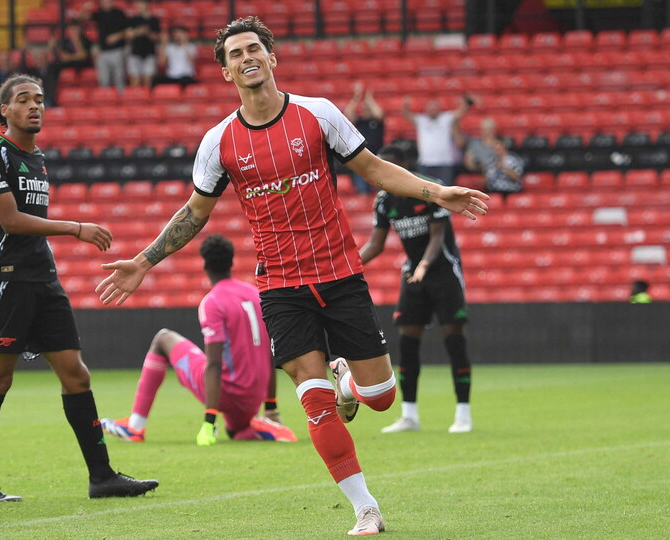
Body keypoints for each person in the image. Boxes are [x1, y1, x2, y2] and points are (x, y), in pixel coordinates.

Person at [96, 17, 488, 536]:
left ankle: (351, 378)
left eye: (254, 48)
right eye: (235, 53)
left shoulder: (318, 114)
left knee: (382, 398)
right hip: (280, 285)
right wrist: (144, 262)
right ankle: (365, 508)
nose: (246, 57)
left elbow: (373, 169)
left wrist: (437, 192)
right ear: (224, 70)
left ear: (272, 57)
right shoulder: (218, 142)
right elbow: (195, 212)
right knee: (313, 397)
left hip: (341, 274)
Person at [0, 74, 158, 504]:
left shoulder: (38, 158)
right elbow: (9, 221)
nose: (35, 106)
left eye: (40, 100)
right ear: (4, 110)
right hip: (6, 277)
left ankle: (102, 477)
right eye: (24, 100)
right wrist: (76, 227)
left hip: (43, 279)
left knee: (76, 373)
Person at [101, 234, 296, 445]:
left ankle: (135, 427)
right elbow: (269, 352)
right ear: (232, 262)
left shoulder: (213, 302)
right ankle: (257, 427)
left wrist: (209, 421)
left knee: (163, 338)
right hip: (252, 398)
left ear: (205, 265)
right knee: (236, 431)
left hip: (226, 394)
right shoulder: (255, 295)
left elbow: (213, 363)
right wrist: (271, 406)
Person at [358, 145, 473, 435]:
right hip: (413, 275)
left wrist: (423, 265)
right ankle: (409, 415)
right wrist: (347, 265)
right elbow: (376, 244)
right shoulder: (384, 201)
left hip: (443, 271)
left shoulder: (431, 190)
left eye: (390, 166)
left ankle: (463, 414)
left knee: (454, 339)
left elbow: (438, 237)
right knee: (407, 340)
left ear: (404, 166)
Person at [401, 94, 472, 186]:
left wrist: (466, 101)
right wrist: (406, 105)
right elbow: (405, 114)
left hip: (444, 164)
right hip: (425, 164)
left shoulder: (446, 118)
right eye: (430, 107)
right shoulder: (421, 120)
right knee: (425, 192)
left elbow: (461, 111)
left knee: (446, 191)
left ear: (439, 109)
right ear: (426, 109)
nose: (433, 110)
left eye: (435, 107)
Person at [343, 82, 384, 195]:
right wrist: (356, 97)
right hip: (362, 160)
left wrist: (369, 99)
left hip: (377, 159)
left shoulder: (377, 122)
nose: (366, 110)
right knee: (362, 192)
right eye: (364, 108)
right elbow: (348, 113)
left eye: (368, 109)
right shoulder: (360, 122)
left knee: (380, 191)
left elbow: (378, 113)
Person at [89, 0, 128, 91]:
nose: (106, 3)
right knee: (104, 80)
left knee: (119, 79)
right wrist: (85, 8)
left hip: (117, 50)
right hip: (102, 52)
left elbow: (128, 31)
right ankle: (105, 100)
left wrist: (117, 36)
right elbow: (81, 19)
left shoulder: (119, 13)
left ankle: (121, 101)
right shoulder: (99, 13)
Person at [126, 0, 159, 88]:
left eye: (140, 4)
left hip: (149, 53)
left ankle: (146, 99)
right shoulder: (133, 20)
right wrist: (138, 31)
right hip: (135, 53)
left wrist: (147, 32)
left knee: (147, 81)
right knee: (134, 81)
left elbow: (156, 37)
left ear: (146, 5)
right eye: (137, 4)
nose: (138, 6)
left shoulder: (154, 20)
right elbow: (128, 35)